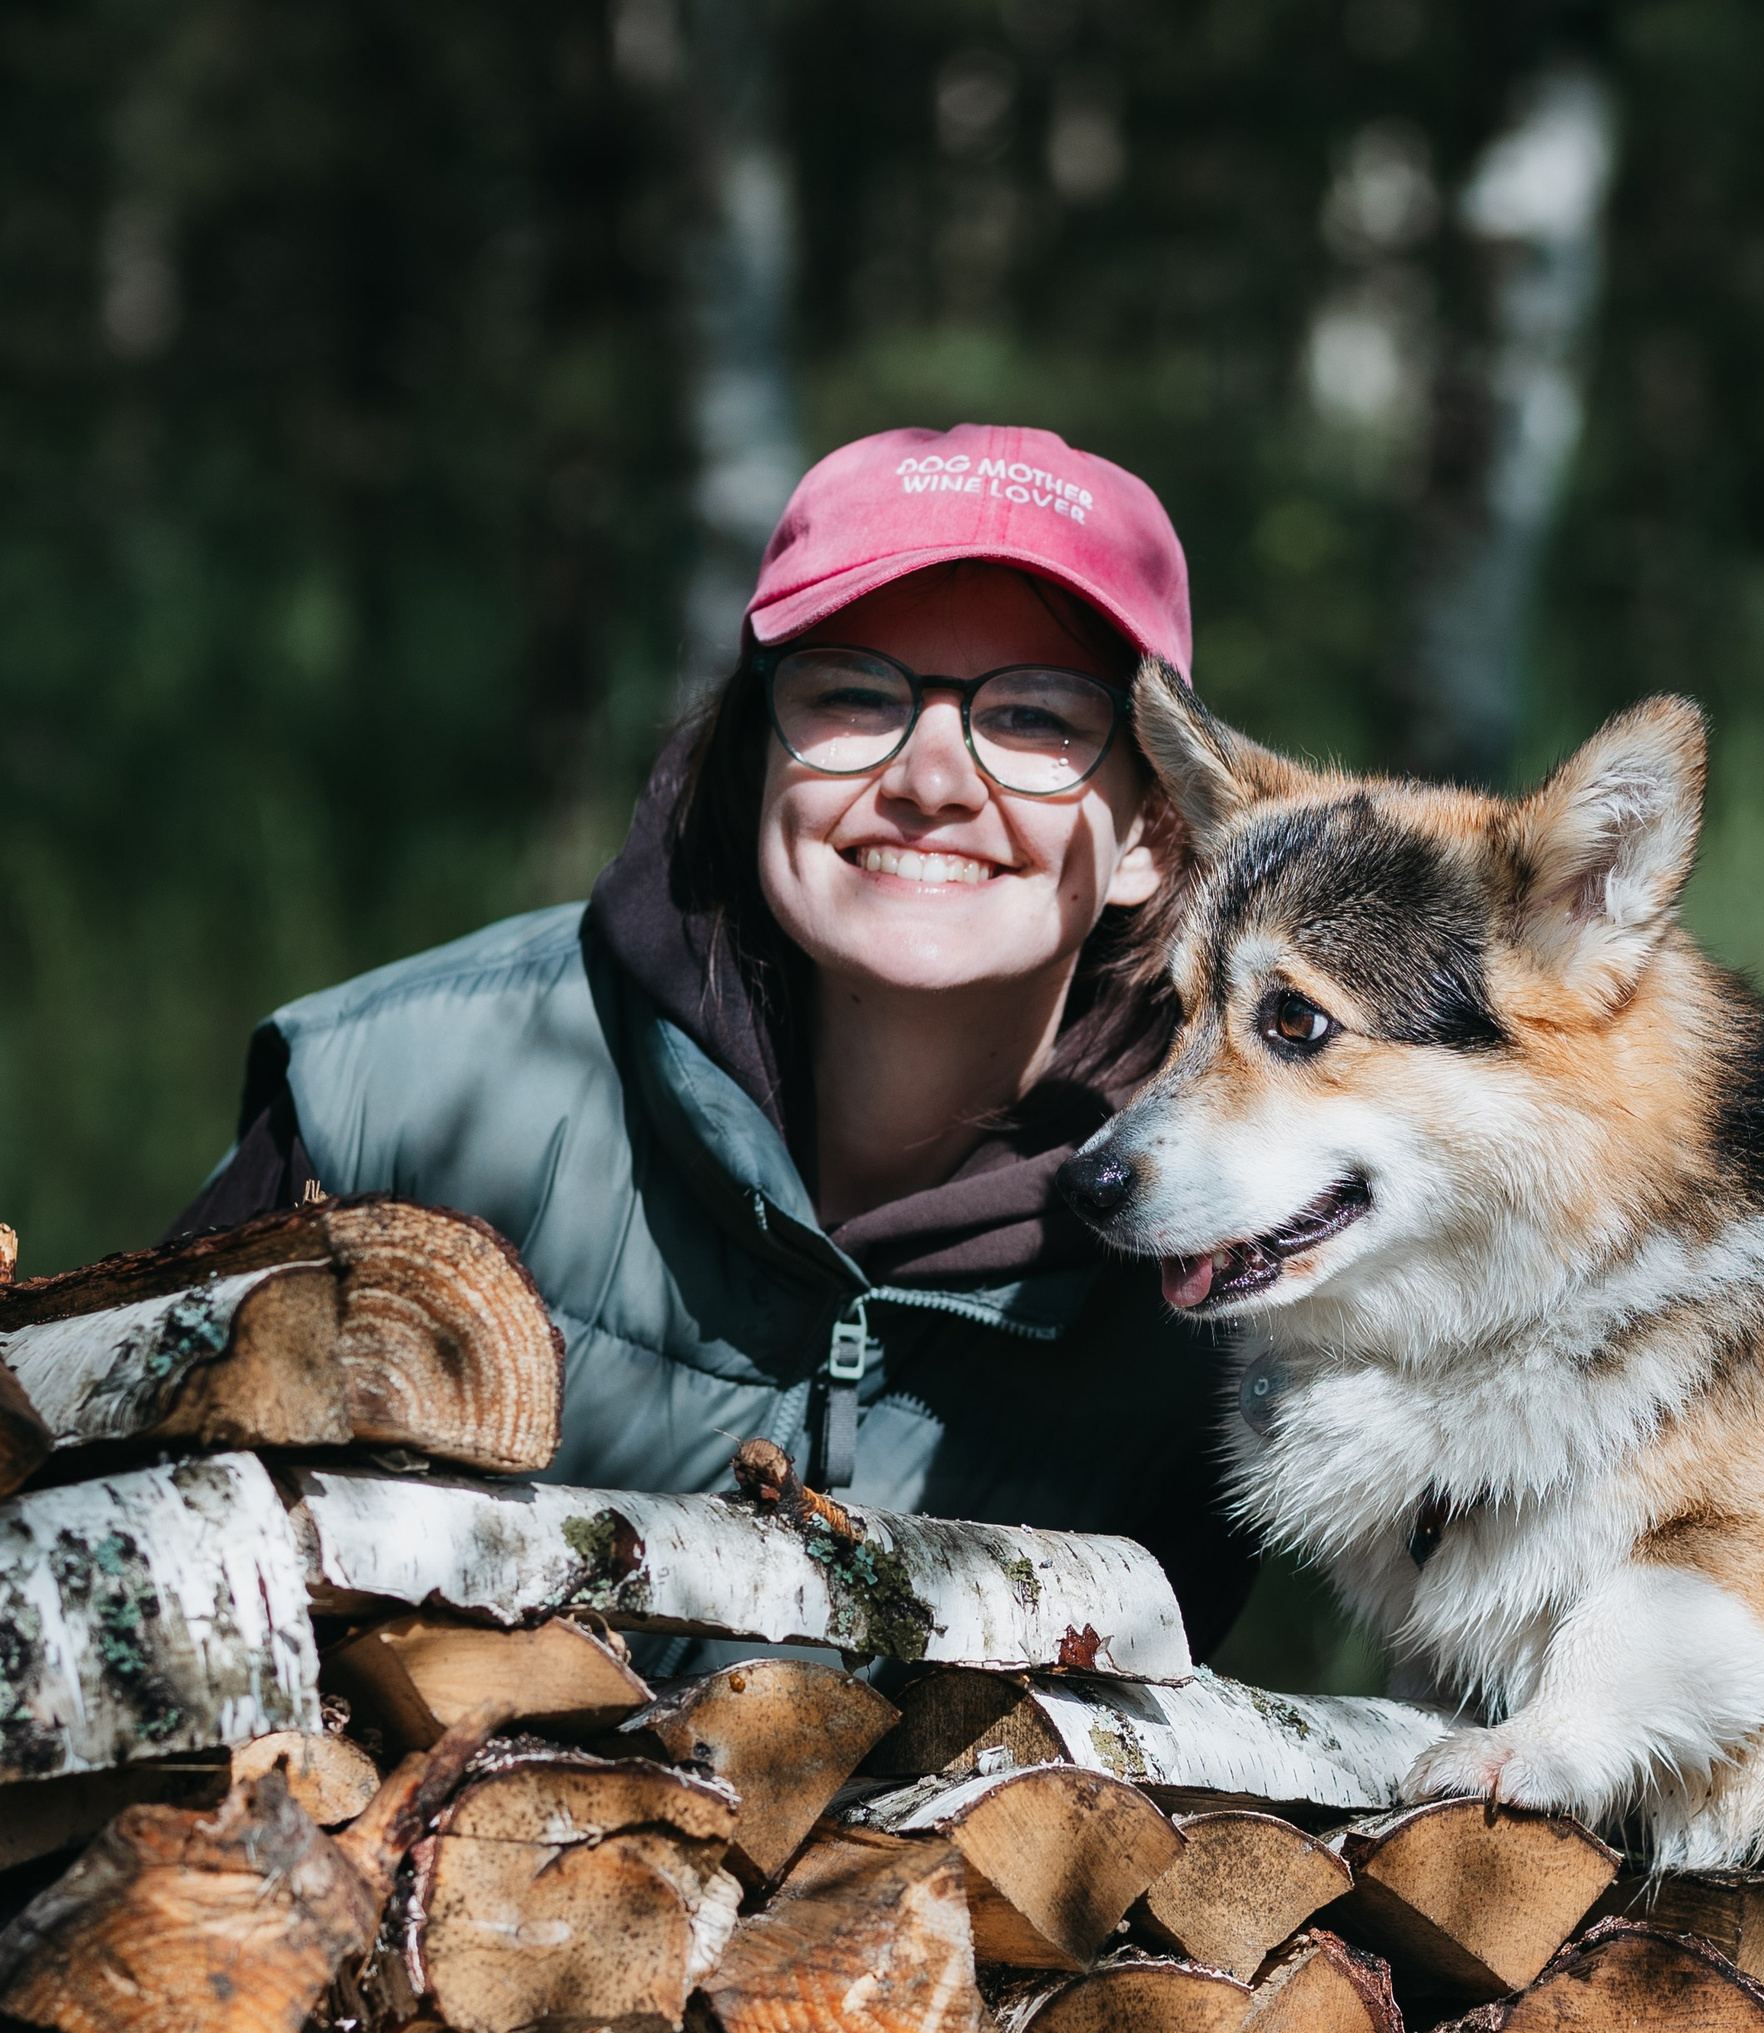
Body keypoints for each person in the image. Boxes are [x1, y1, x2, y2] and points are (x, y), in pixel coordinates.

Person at [176, 426, 1255, 1650]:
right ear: (752, 762)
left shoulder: (1209, 1268)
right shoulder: (399, 1096)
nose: (935, 779)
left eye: (1037, 719)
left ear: (1152, 835)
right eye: (854, 693)